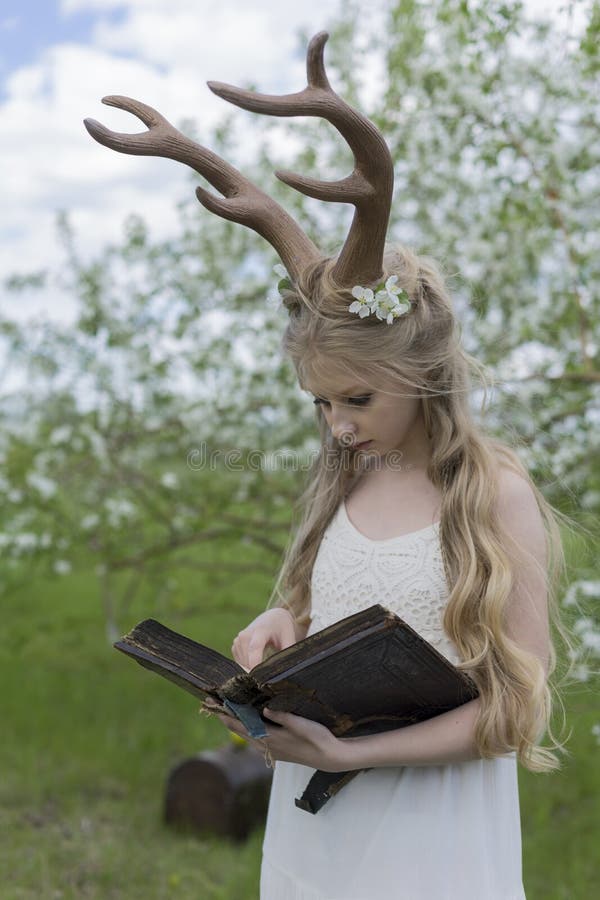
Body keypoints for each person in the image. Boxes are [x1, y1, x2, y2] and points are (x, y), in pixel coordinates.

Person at [85, 29, 573, 900]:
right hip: (316, 823)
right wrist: (283, 625)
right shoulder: (349, 477)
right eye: (321, 404)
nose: (338, 427)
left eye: (356, 400)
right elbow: (334, 619)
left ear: (422, 381)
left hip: (430, 833)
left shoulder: (493, 494)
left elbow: (518, 706)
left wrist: (356, 752)